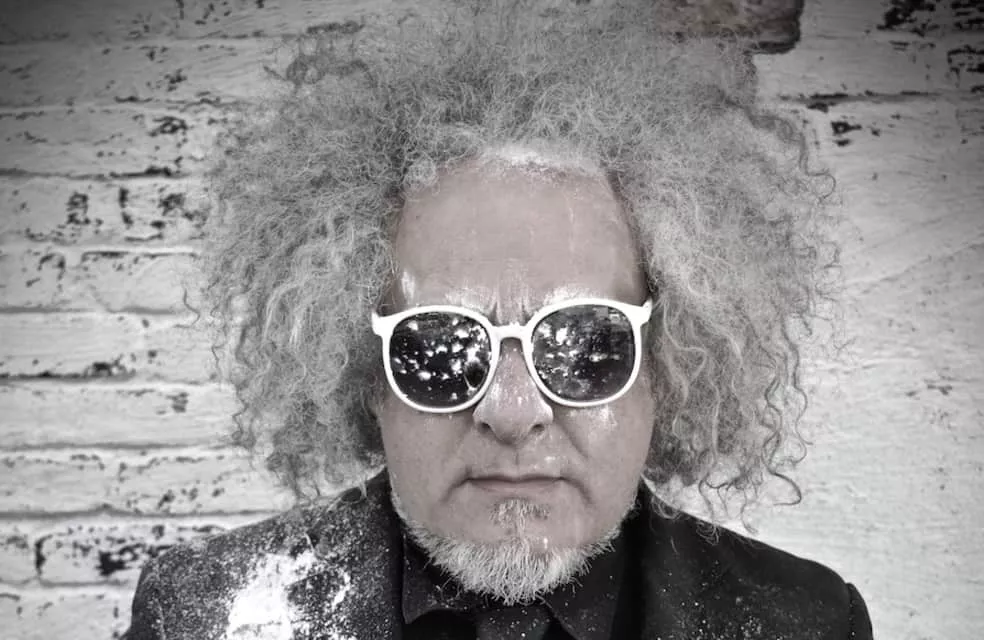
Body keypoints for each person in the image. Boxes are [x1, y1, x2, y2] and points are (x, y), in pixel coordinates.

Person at [123, 1, 873, 638]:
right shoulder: (196, 619)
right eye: (443, 349)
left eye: (583, 345)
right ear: (364, 376)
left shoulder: (808, 623)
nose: (513, 414)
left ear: (665, 366)